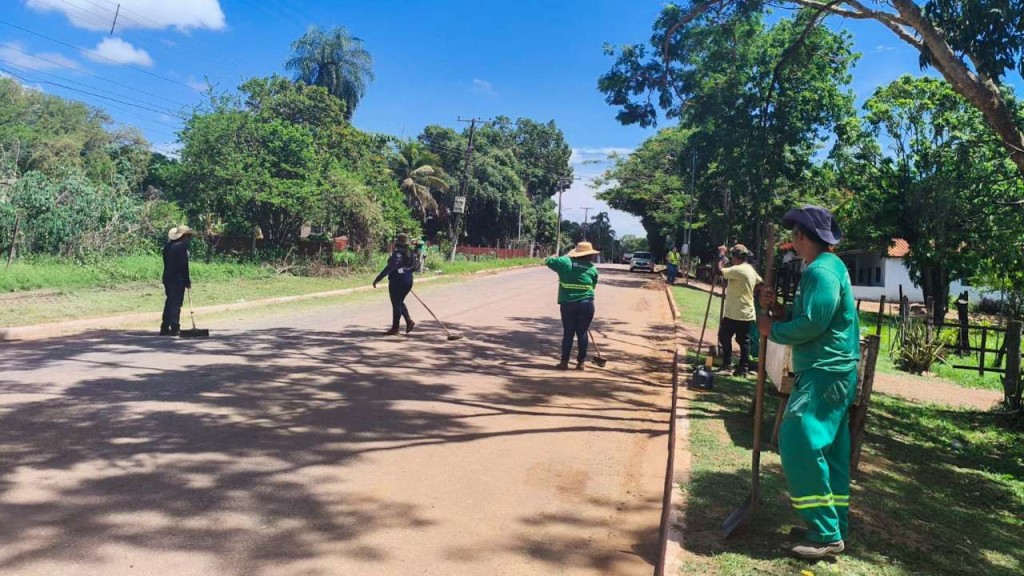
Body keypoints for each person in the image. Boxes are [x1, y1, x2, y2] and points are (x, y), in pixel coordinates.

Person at [757, 205, 860, 560]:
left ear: (801, 235)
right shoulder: (824, 268)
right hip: (829, 371)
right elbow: (811, 316)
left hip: (825, 371)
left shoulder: (821, 271)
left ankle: (826, 532)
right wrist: (779, 311)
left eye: (794, 234)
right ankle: (831, 526)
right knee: (829, 451)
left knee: (798, 437)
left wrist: (773, 330)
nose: (792, 240)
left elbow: (814, 323)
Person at [545, 241, 600, 370]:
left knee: (568, 333)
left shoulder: (565, 262)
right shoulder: (592, 269)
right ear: (589, 255)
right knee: (582, 333)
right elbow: (593, 286)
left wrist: (558, 256)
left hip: (568, 304)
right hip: (586, 305)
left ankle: (564, 362)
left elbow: (548, 261)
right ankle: (581, 363)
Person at [716, 244, 762, 375]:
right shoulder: (750, 269)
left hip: (735, 312)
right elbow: (760, 283)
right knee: (743, 340)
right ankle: (743, 367)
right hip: (746, 311)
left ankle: (727, 364)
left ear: (735, 257)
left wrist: (721, 255)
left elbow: (718, 271)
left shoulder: (738, 269)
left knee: (724, 335)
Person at [373, 234, 417, 335]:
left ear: (397, 244)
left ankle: (395, 328)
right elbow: (415, 267)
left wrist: (378, 279)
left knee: (396, 303)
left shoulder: (397, 254)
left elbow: (389, 268)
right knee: (399, 302)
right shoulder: (411, 254)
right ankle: (408, 321)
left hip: (397, 280)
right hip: (408, 279)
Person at [161, 225, 193, 336]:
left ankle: (164, 327)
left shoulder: (167, 247)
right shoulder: (181, 247)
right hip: (177, 279)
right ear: (183, 236)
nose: (189, 239)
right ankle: (174, 327)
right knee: (176, 303)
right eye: (189, 236)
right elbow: (183, 266)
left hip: (167, 277)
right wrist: (187, 280)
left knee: (169, 301)